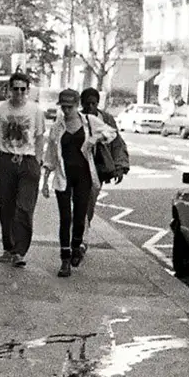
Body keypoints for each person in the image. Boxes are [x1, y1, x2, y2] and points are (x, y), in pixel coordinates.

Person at [43, 88, 118, 278]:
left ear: (77, 105)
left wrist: (95, 139)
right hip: (63, 176)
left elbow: (111, 133)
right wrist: (45, 180)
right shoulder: (57, 127)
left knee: (79, 216)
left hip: (84, 176)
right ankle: (65, 259)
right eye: (63, 107)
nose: (66, 110)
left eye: (70, 107)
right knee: (65, 218)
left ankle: (76, 246)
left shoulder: (89, 121)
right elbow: (50, 155)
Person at [0, 71, 46, 267]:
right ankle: (8, 248)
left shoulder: (36, 110)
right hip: (6, 159)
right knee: (6, 207)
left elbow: (40, 137)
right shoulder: (0, 109)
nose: (19, 93)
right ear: (9, 90)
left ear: (28, 90)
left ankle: (20, 252)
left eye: (23, 89)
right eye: (16, 89)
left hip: (28, 161)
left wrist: (37, 160)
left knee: (24, 207)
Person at [79, 88, 129, 231]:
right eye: (87, 104)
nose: (90, 107)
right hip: (78, 166)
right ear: (82, 103)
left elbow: (117, 144)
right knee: (78, 201)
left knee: (90, 200)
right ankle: (78, 233)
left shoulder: (106, 119)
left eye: (93, 104)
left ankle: (83, 231)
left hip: (98, 167)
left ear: (98, 103)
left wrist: (120, 167)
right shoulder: (77, 119)